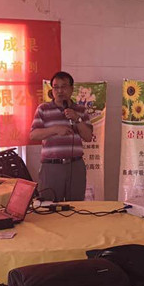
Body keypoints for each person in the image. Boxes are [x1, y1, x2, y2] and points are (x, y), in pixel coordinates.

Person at [30, 71, 93, 201]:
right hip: (51, 166)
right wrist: (55, 130)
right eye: (56, 87)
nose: (59, 91)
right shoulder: (43, 109)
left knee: (76, 206)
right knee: (48, 205)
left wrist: (77, 119)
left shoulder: (81, 110)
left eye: (63, 86)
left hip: (75, 165)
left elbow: (88, 137)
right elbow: (33, 135)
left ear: (71, 89)